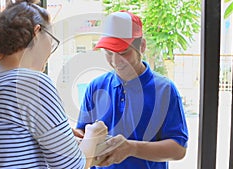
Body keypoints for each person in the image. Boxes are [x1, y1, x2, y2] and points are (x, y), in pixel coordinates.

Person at [0, 0, 107, 168]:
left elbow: (8, 143)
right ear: (36, 33)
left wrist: (60, 135)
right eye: (51, 40)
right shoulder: (33, 83)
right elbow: (73, 166)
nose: (51, 50)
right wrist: (93, 135)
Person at [75, 10, 188, 169]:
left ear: (142, 46)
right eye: (108, 53)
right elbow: (83, 132)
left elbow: (178, 149)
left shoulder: (165, 90)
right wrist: (73, 137)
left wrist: (131, 148)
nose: (115, 62)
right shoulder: (95, 87)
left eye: (123, 53)